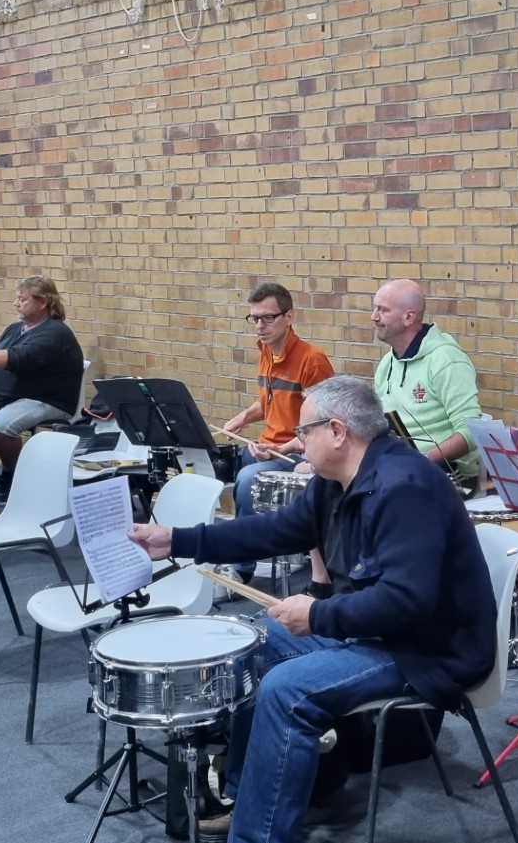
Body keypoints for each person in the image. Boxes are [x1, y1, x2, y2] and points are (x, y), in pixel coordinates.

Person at [126, 377, 495, 843]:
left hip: (429, 651)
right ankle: (245, 797)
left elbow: (407, 601)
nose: (297, 441)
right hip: (380, 630)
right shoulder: (335, 481)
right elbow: (274, 531)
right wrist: (178, 540)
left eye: (304, 431)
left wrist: (319, 616)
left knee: (286, 690)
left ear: (338, 432)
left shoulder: (405, 486)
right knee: (251, 645)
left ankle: (258, 836)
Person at [0, 276, 84, 501]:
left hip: (46, 400)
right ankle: (29, 465)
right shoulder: (15, 329)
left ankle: (14, 474)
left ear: (43, 302)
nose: (16, 303)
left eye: (22, 299)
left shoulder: (55, 332)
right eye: (17, 298)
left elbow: (19, 358)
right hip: (6, 400)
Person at [221, 283, 335, 518]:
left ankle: (245, 540)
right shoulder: (267, 352)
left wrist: (282, 448)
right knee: (214, 462)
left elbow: (323, 424)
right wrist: (243, 418)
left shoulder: (312, 361)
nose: (260, 326)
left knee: (248, 480)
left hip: (297, 453)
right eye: (255, 319)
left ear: (289, 317)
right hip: (267, 446)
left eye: (268, 318)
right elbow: (271, 401)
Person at [370, 279, 484, 490]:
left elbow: (471, 431)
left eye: (383, 310)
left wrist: (422, 461)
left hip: (450, 476)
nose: (374, 317)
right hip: (402, 471)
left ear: (409, 317)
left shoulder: (446, 360)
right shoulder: (387, 363)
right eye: (375, 308)